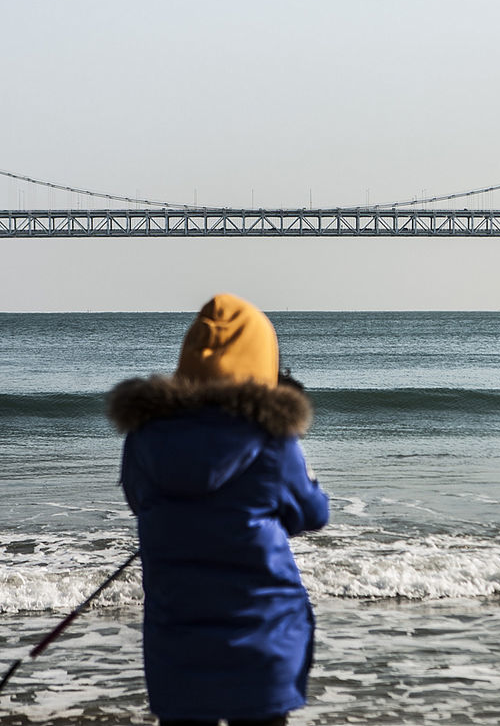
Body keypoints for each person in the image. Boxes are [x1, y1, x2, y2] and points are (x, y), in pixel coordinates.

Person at [108, 293, 330, 726]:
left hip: (177, 633)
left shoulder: (143, 438)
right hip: (263, 631)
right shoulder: (272, 439)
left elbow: (139, 503)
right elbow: (312, 513)